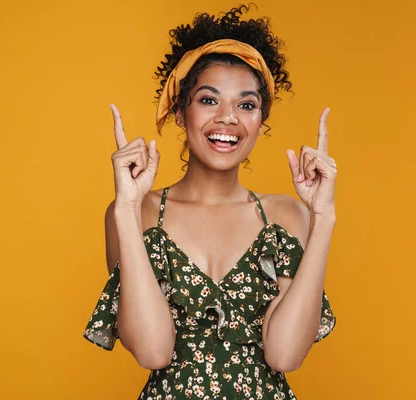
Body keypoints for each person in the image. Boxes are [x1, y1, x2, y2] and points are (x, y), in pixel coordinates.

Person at [83, 4, 337, 399]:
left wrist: (323, 219)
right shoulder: (139, 212)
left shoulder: (286, 216)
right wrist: (127, 210)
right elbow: (152, 350)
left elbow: (285, 355)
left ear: (260, 122)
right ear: (180, 112)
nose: (228, 118)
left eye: (247, 105)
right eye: (208, 100)